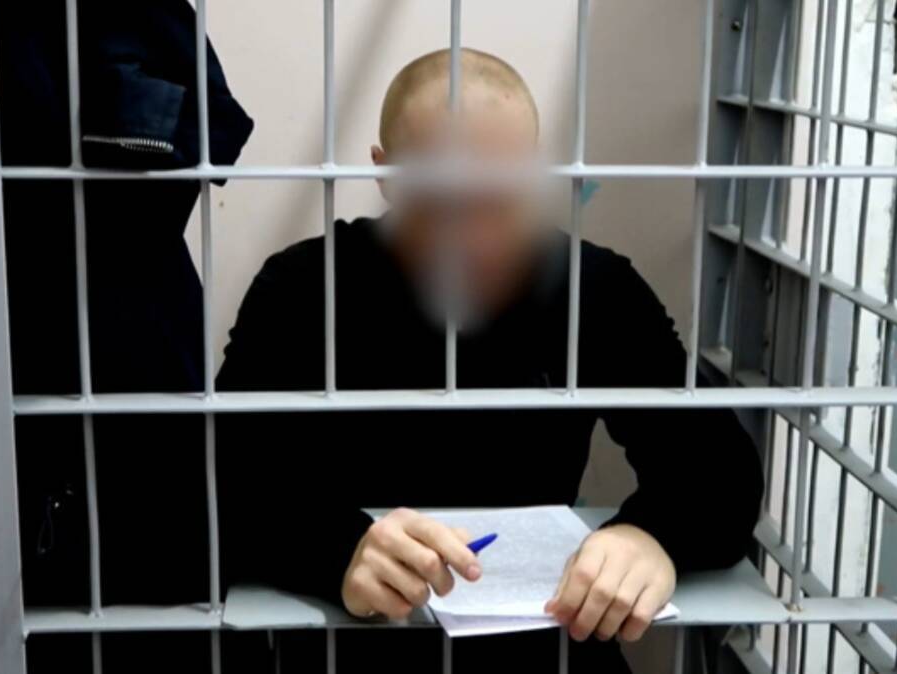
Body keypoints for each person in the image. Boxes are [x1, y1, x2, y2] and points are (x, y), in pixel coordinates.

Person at [217, 48, 762, 674]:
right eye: (441, 204)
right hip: (356, 646)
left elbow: (721, 470)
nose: (471, 241)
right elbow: (221, 478)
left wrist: (651, 538)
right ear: (385, 174)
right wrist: (337, 550)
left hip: (544, 648)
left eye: (500, 201)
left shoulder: (592, 290)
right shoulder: (302, 288)